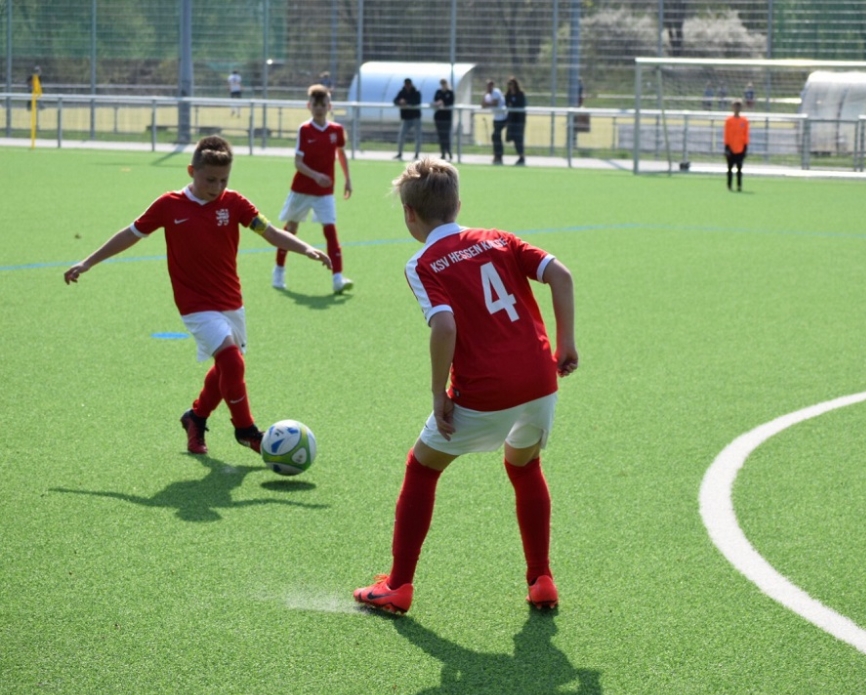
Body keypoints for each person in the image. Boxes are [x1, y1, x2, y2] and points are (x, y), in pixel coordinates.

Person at [354, 157, 578, 615]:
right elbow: (561, 274)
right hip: (540, 380)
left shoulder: (422, 263)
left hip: (486, 390)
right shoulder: (499, 238)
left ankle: (398, 586)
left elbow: (444, 326)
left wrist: (439, 393)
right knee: (524, 467)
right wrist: (566, 344)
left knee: (422, 468)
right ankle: (541, 579)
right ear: (457, 203)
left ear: (409, 214)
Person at [63, 136, 333, 456]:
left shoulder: (235, 203)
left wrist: (306, 248)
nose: (217, 187)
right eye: (210, 180)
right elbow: (130, 234)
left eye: (223, 180)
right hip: (195, 304)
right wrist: (88, 262)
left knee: (226, 369)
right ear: (192, 171)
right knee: (231, 361)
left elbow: (271, 232)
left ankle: (196, 417)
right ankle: (246, 430)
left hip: (231, 301)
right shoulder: (169, 205)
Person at [272, 84, 354, 294]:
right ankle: (279, 271)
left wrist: (347, 179)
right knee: (291, 229)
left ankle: (337, 278)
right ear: (309, 106)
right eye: (315, 105)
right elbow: (298, 163)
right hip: (301, 190)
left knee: (330, 230)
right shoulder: (305, 129)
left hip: (325, 193)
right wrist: (317, 176)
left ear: (329, 106)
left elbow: (341, 154)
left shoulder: (336, 131)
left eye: (323, 104)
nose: (319, 108)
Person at [394, 78, 422, 160]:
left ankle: (416, 154)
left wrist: (406, 102)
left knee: (417, 136)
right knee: (401, 136)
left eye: (409, 84)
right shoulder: (402, 92)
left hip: (415, 118)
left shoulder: (416, 92)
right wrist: (400, 102)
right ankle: (399, 153)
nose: (407, 86)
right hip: (406, 118)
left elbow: (416, 101)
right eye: (406, 84)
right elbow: (395, 100)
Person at [724, 100, 749, 192]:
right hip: (731, 147)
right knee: (729, 168)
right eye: (735, 106)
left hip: (740, 148)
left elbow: (746, 134)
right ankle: (729, 185)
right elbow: (726, 134)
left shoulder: (744, 121)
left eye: (739, 106)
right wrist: (727, 146)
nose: (737, 108)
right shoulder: (729, 120)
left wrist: (745, 146)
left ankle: (739, 185)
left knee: (739, 168)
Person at [481, 79, 507, 165]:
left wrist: (488, 104)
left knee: (496, 136)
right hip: (496, 118)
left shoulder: (496, 92)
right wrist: (485, 95)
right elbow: (483, 105)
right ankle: (497, 155)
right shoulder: (488, 94)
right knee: (496, 137)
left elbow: (495, 103)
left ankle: (499, 155)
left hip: (502, 118)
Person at [505, 77, 527, 166]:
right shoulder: (508, 95)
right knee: (512, 138)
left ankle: (522, 156)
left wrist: (513, 105)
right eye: (509, 84)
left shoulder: (520, 94)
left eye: (511, 84)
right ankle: (520, 155)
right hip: (511, 120)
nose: (510, 86)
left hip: (519, 120)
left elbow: (521, 104)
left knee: (519, 139)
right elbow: (506, 104)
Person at [432, 78, 455, 161]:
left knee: (446, 135)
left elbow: (450, 102)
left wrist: (443, 103)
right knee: (441, 135)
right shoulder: (438, 92)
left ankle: (449, 152)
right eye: (442, 83)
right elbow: (435, 101)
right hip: (439, 117)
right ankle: (443, 153)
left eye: (444, 83)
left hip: (447, 117)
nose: (443, 85)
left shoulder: (450, 92)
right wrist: (437, 103)